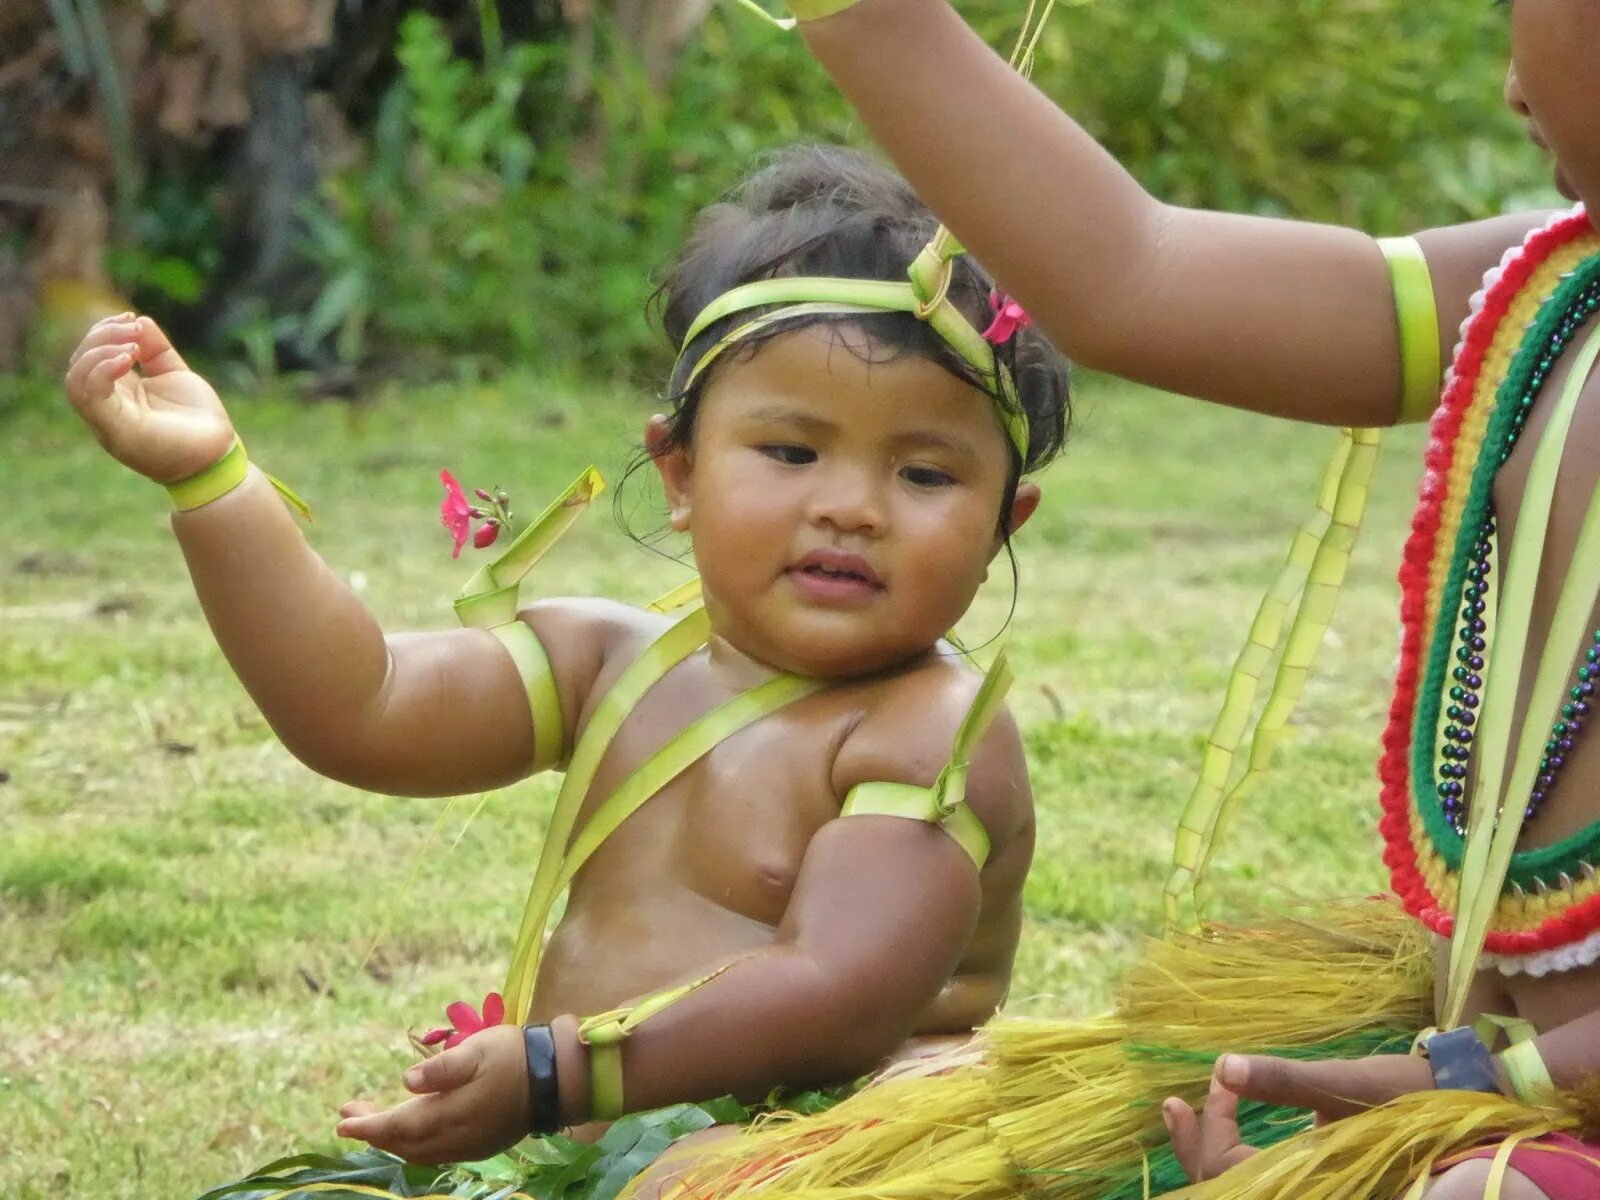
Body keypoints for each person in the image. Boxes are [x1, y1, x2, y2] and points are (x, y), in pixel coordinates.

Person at [657, 2, 1600, 1198]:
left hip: (1514, 1118)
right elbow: (1130, 272)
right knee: (714, 1179)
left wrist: (1466, 1094)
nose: (1513, 86)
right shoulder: (1549, 286)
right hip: (1452, 1068)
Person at [59, 144, 1071, 1197]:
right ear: (678, 472)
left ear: (1003, 525)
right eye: (791, 452)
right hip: (577, 1147)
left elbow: (838, 995)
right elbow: (360, 708)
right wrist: (215, 481)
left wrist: (554, 1072)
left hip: (834, 1158)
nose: (851, 507)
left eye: (921, 473)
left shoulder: (934, 729)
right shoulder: (606, 663)